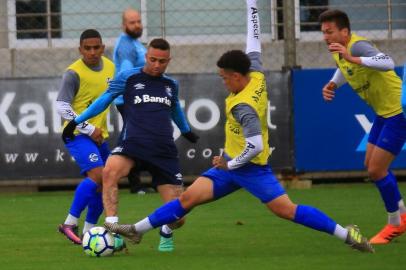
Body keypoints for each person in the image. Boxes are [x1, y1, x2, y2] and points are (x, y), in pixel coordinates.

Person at [101, 0, 374, 253]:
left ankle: (345, 233)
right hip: (230, 169)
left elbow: (254, 146)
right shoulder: (254, 72)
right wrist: (252, 4)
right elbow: (254, 38)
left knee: (287, 210)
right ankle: (136, 230)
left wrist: (230, 164)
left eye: (223, 78)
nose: (222, 82)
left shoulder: (242, 106)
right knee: (186, 200)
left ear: (234, 77)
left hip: (251, 169)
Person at [62, 38, 199, 252]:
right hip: (133, 144)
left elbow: (175, 110)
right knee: (109, 172)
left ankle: (159, 228)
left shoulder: (171, 84)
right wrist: (77, 121)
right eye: (152, 59)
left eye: (162, 61)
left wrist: (186, 130)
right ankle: (113, 225)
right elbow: (104, 100)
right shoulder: (128, 77)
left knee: (179, 214)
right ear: (146, 57)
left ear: (168, 60)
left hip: (164, 151)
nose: (156, 65)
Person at [319, 9, 406, 245]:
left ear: (344, 32)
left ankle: (395, 224)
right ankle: (402, 214)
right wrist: (333, 84)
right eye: (323, 32)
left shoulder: (357, 47)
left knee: (377, 170)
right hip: (383, 114)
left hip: (399, 112)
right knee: (370, 165)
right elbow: (346, 68)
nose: (326, 37)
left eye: (330, 32)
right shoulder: (341, 49)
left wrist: (353, 58)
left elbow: (388, 62)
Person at [56, 29, 115, 245]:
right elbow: (62, 106)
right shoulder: (73, 73)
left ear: (102, 48)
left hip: (100, 136)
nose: (92, 52)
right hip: (77, 134)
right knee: (98, 175)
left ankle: (89, 232)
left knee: (107, 182)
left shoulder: (110, 67)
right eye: (87, 48)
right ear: (80, 49)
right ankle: (69, 223)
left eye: (96, 47)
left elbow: (114, 96)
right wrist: (89, 128)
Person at [113, 8, 147, 194]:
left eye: (139, 21)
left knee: (134, 137)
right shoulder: (126, 45)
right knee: (129, 139)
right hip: (129, 99)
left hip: (136, 99)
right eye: (132, 22)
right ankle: (112, 175)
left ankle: (136, 183)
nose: (137, 25)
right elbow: (126, 73)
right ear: (124, 25)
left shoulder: (135, 42)